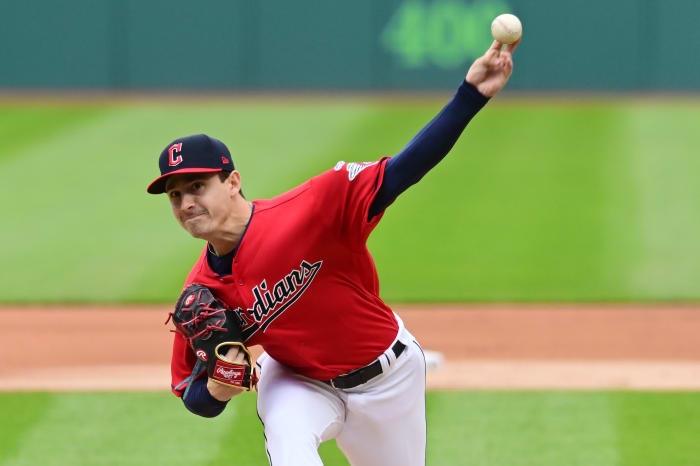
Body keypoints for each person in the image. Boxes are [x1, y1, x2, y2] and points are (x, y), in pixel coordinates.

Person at [147, 39, 518, 466]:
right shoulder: (201, 292)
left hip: (389, 379)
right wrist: (217, 387)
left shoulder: (313, 206)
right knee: (290, 449)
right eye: (175, 195)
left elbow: (404, 170)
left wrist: (470, 97)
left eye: (197, 187)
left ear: (232, 183)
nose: (186, 203)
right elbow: (193, 394)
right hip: (299, 382)